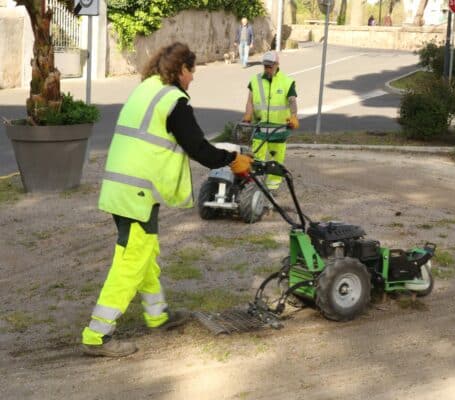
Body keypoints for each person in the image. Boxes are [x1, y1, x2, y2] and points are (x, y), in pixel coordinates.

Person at [81, 42, 252, 357]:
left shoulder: (147, 89)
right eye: (192, 71)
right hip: (137, 192)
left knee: (143, 250)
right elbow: (198, 149)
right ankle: (97, 334)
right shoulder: (174, 101)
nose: (193, 78)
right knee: (132, 259)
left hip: (124, 187)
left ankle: (157, 313)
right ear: (181, 69)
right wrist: (233, 159)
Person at [243, 51, 298, 192]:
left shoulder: (287, 82)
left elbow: (292, 100)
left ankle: (272, 189)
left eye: (270, 66)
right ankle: (256, 188)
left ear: (277, 64)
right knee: (256, 160)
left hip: (278, 130)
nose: (267, 69)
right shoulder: (255, 80)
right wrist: (247, 116)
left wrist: (294, 116)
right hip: (260, 129)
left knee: (275, 163)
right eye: (265, 66)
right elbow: (250, 101)